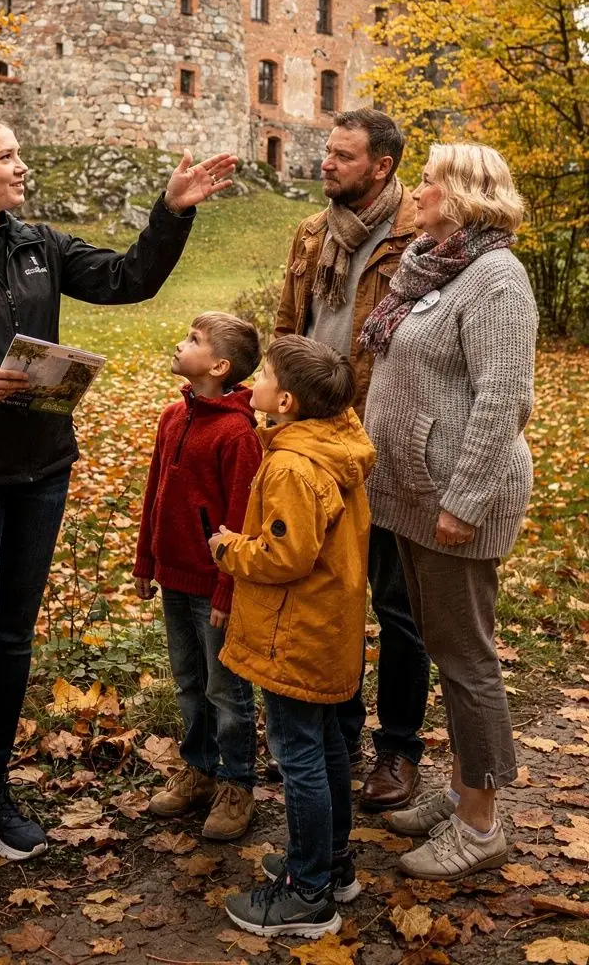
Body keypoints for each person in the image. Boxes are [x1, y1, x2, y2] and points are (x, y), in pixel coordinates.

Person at [0, 114, 236, 899]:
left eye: (19, 156)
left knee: (10, 642)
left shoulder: (38, 246)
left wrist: (171, 211)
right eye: (7, 157)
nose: (20, 166)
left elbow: (128, 279)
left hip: (40, 469)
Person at [360, 143, 537, 880]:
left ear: (463, 193)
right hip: (411, 496)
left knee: (467, 661)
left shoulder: (497, 279)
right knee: (444, 646)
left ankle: (481, 822)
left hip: (457, 501)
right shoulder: (439, 267)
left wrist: (463, 502)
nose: (419, 190)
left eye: (429, 180)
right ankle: (465, 788)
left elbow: (503, 401)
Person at [275, 108, 430, 812]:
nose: (326, 163)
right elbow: (288, 333)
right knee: (324, 600)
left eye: (342, 156)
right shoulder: (313, 233)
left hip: (388, 447)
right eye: (327, 151)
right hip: (315, 448)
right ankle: (334, 733)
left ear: (382, 166)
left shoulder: (421, 239)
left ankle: (397, 750)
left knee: (397, 606)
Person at [210, 336, 374, 939]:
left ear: (284, 400)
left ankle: (308, 894)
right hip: (328, 626)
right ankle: (331, 862)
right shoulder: (337, 445)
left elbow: (286, 555)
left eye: (265, 375)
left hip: (294, 632)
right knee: (326, 743)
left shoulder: (291, 466)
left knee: (298, 753)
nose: (252, 379)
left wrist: (231, 548)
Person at [133, 312, 263, 840]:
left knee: (225, 690)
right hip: (174, 578)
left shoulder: (238, 434)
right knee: (189, 682)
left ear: (219, 365)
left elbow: (243, 519)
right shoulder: (172, 417)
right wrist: (146, 561)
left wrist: (227, 589)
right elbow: (154, 495)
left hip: (215, 589)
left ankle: (237, 783)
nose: (181, 343)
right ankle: (200, 770)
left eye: (193, 340)